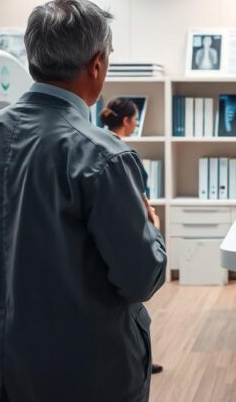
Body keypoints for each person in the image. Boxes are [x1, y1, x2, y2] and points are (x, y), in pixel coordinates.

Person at [0, 0, 167, 402]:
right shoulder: (104, 156)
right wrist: (150, 227)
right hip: (87, 375)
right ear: (96, 65)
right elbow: (140, 277)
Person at [100, 98, 164, 375]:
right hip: (129, 229)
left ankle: (139, 359)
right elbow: (137, 194)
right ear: (126, 120)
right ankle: (137, 360)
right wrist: (153, 224)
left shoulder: (103, 144)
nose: (137, 123)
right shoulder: (119, 153)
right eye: (135, 118)